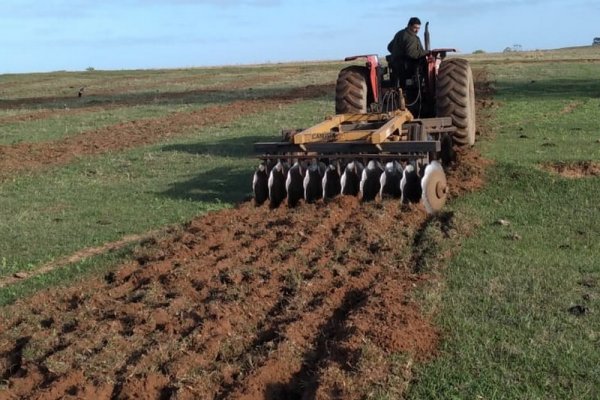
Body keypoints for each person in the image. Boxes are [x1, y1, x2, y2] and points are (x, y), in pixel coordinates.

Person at [387, 17, 428, 83]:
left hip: (396, 66)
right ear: (409, 26)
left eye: (418, 28)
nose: (417, 30)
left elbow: (390, 47)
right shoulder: (411, 37)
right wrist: (427, 52)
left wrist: (398, 52)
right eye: (415, 28)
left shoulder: (399, 33)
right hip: (407, 68)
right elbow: (412, 54)